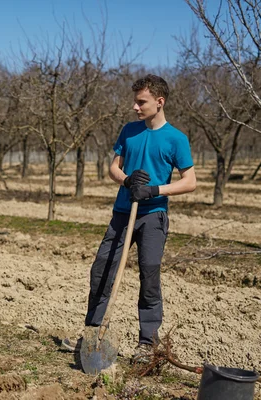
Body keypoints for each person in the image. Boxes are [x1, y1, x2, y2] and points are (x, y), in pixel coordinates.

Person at [83, 74, 197, 359]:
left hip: (153, 216)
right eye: (135, 101)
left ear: (159, 102)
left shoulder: (176, 139)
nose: (135, 107)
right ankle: (93, 331)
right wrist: (127, 181)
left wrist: (154, 190)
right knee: (102, 270)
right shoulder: (129, 131)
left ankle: (147, 342)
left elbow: (190, 182)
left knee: (149, 275)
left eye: (141, 101)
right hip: (122, 214)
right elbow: (113, 168)